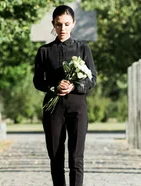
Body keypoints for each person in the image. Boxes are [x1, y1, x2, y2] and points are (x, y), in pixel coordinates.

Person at [33, 5, 97, 186]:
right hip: (53, 109)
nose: (63, 29)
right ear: (52, 23)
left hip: (77, 108)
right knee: (55, 156)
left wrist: (74, 86)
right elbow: (38, 81)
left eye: (67, 24)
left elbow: (92, 79)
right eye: (59, 24)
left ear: (73, 24)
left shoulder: (83, 49)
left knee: (76, 157)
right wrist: (54, 87)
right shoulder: (44, 51)